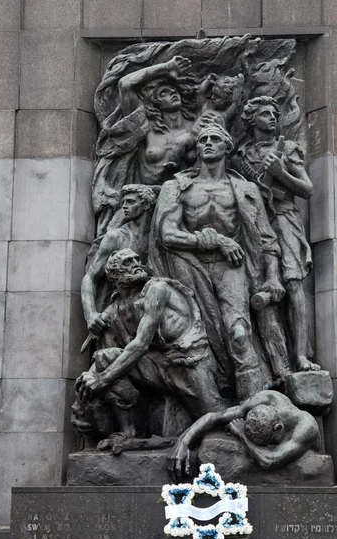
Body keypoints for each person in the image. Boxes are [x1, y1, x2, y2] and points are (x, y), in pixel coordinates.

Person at [150, 123, 290, 399]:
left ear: (228, 147)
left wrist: (272, 276)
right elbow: (166, 234)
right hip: (187, 267)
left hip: (232, 268)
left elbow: (266, 240)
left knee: (239, 334)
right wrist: (212, 240)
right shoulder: (176, 186)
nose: (209, 143)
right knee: (192, 340)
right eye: (203, 140)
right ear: (198, 148)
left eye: (216, 139)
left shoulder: (245, 189)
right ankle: (208, 405)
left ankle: (252, 407)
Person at [75, 249, 230, 452]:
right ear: (114, 275)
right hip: (157, 365)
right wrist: (86, 387)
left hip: (188, 362)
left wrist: (102, 379)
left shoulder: (157, 289)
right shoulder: (116, 308)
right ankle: (128, 433)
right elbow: (114, 349)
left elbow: (140, 344)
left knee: (216, 418)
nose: (137, 263)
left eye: (137, 259)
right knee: (105, 357)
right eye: (128, 262)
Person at [235, 96, 320, 372]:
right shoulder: (241, 155)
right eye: (264, 114)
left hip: (283, 219)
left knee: (294, 283)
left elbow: (306, 190)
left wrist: (280, 173)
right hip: (252, 223)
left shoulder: (287, 149)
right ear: (251, 120)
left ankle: (300, 356)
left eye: (274, 113)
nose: (272, 117)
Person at [93, 56, 218, 234]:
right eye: (164, 93)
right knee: (111, 235)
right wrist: (167, 67)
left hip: (186, 204)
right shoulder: (146, 127)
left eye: (174, 91)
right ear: (154, 103)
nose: (173, 93)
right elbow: (125, 85)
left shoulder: (196, 127)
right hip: (144, 203)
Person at [167, 389, 319, 481]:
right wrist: (184, 442)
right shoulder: (266, 399)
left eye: (264, 443)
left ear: (278, 428)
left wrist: (241, 434)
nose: (267, 446)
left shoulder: (306, 428)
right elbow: (214, 417)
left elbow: (270, 460)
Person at [81, 184, 156, 346]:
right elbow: (90, 277)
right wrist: (91, 315)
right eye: (123, 202)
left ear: (146, 205)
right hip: (120, 313)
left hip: (152, 306)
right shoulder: (116, 237)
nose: (124, 206)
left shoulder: (158, 236)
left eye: (130, 202)